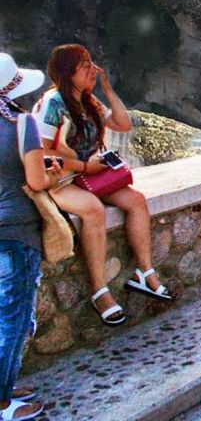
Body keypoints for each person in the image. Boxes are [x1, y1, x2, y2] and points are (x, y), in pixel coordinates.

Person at [34, 45, 171, 327]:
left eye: (90, 63)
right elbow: (43, 152)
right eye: (84, 65)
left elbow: (123, 124)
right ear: (67, 72)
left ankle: (144, 272)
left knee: (136, 200)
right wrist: (84, 166)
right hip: (61, 179)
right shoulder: (53, 102)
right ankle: (100, 291)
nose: (92, 69)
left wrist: (107, 87)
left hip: (92, 175)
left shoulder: (88, 100)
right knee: (94, 210)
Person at [0, 53, 63, 421]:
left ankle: (6, 384)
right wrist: (51, 175)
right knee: (12, 318)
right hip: (14, 233)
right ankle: (3, 403)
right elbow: (36, 181)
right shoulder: (22, 122)